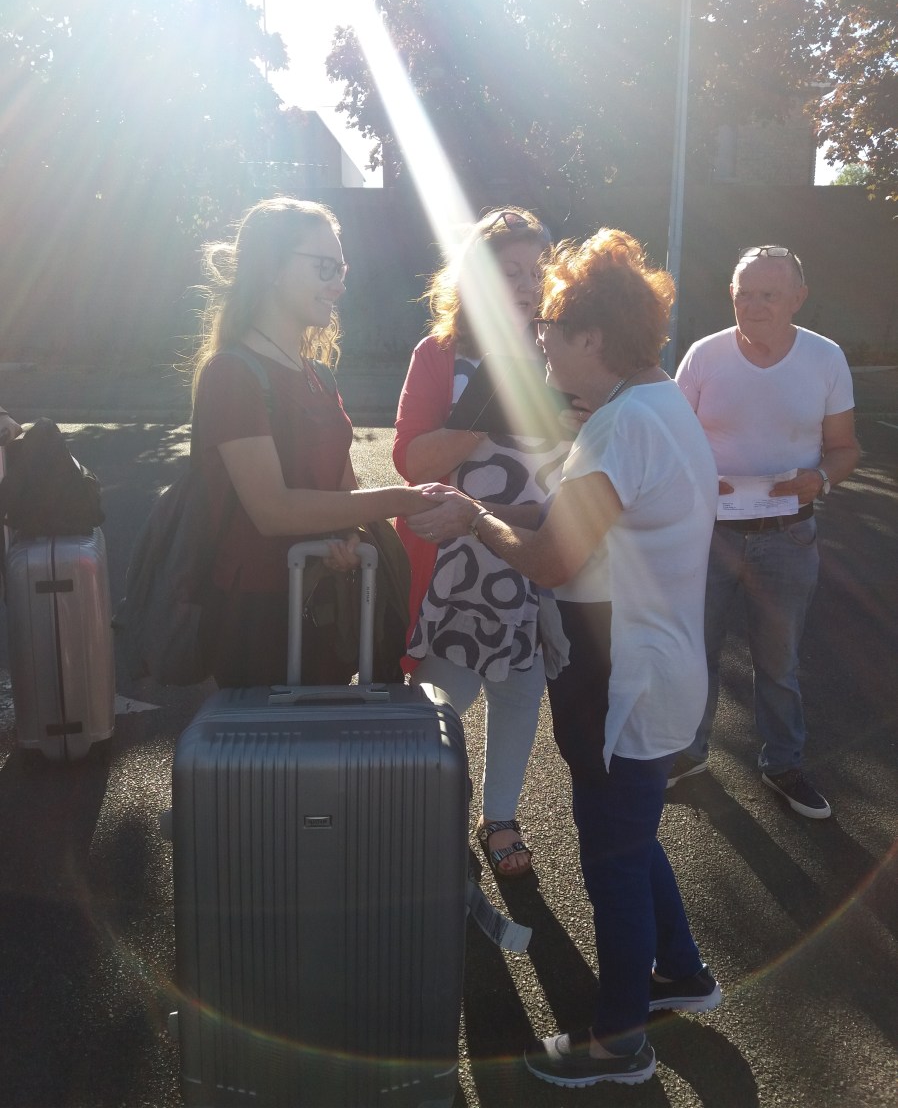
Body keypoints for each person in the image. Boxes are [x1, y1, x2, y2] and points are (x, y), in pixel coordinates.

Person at [408, 228, 722, 1087]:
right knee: (631, 832)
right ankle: (680, 970)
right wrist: (485, 510)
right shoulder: (653, 405)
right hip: (644, 662)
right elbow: (575, 524)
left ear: (591, 335)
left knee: (611, 855)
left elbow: (551, 558)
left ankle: (619, 1042)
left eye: (550, 323)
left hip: (622, 672)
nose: (538, 337)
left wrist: (475, 519)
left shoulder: (623, 426)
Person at [393, 207, 576, 880]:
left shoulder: (565, 352)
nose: (529, 286)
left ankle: (499, 817)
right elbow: (411, 461)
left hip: (532, 552)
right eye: (511, 273)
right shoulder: (440, 353)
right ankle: (425, 811)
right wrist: (487, 409)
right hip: (452, 566)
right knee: (441, 700)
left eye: (537, 271)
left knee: (522, 690)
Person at [190, 196, 431, 688]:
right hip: (259, 617)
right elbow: (272, 511)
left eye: (341, 269)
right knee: (271, 742)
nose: (339, 285)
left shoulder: (318, 374)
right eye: (324, 267)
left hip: (324, 602)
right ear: (272, 268)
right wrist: (401, 500)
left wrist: (351, 536)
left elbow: (344, 490)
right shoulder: (232, 374)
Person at [671, 245, 860, 819]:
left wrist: (819, 479)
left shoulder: (825, 358)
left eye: (768, 295)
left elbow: (845, 448)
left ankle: (783, 763)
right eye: (743, 294)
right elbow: (669, 438)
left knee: (779, 663)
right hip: (708, 534)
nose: (753, 306)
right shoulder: (704, 356)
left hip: (788, 535)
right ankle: (687, 755)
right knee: (694, 651)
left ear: (798, 299)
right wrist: (699, 479)